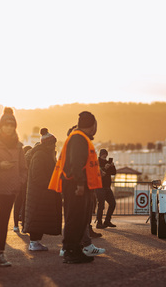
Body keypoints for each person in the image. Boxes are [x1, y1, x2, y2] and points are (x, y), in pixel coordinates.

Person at [49, 111, 102, 264]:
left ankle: (75, 249)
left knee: (80, 218)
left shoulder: (79, 138)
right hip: (75, 184)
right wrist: (79, 184)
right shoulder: (78, 139)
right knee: (75, 218)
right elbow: (76, 163)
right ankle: (70, 250)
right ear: (92, 126)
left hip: (80, 184)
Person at [0, 107, 27, 267]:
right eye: (6, 125)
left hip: (10, 190)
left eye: (11, 125)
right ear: (0, 126)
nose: (9, 127)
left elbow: (23, 169)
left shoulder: (19, 146)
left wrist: (19, 182)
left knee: (4, 223)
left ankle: (0, 254)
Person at [23, 128, 62, 251]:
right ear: (48, 144)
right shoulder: (40, 155)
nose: (54, 146)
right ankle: (34, 243)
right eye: (53, 143)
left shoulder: (42, 154)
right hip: (40, 193)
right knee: (36, 218)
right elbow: (37, 175)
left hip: (40, 192)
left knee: (38, 219)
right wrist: (49, 184)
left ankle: (35, 242)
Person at [95, 149, 117, 228]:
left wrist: (112, 166)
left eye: (106, 154)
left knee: (113, 203)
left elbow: (114, 173)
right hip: (99, 187)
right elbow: (97, 173)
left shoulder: (108, 162)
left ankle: (107, 221)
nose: (105, 156)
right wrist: (104, 168)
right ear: (101, 155)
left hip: (107, 187)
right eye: (104, 154)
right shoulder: (97, 162)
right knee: (101, 205)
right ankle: (99, 223)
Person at [14, 144, 33, 233]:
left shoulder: (20, 160)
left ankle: (15, 225)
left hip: (19, 183)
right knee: (25, 203)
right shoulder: (31, 159)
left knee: (17, 204)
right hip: (26, 184)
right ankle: (24, 225)